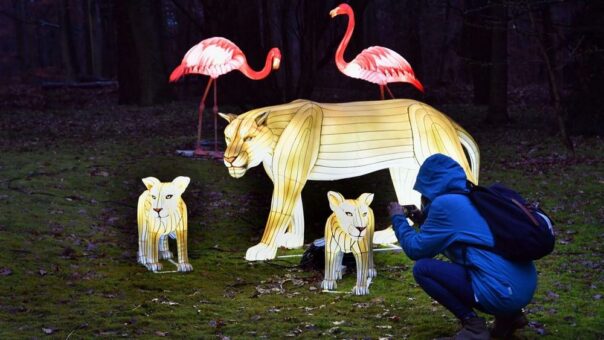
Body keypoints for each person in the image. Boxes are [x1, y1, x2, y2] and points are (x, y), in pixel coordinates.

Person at [388, 154, 536, 339]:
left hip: (502, 292)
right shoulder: (471, 197)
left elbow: (415, 250)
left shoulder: (444, 205)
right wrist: (423, 218)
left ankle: (474, 327)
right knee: (478, 261)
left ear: (430, 185)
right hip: (522, 285)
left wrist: (398, 218)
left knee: (423, 269)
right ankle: (510, 318)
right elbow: (459, 232)